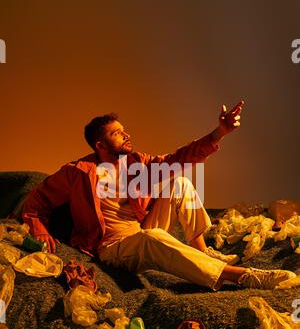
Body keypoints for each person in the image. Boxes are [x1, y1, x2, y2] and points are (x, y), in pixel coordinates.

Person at [22, 102, 296, 290]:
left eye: (124, 129)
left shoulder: (137, 162)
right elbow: (36, 202)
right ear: (100, 145)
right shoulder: (77, 172)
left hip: (141, 230)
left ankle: (203, 252)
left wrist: (219, 133)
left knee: (179, 182)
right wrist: (39, 228)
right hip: (113, 248)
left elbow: (179, 159)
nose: (126, 135)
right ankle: (245, 278)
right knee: (152, 238)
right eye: (118, 133)